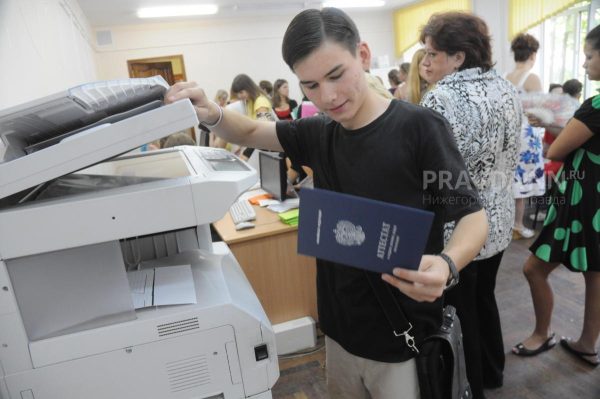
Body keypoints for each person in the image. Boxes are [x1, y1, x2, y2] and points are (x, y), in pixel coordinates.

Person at [166, 8, 488, 398]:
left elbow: (472, 216)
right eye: (311, 86)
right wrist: (212, 113)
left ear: (363, 55)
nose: (328, 96)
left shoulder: (420, 128)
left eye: (337, 75)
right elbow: (251, 130)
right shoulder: (320, 133)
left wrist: (449, 263)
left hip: (402, 334)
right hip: (339, 331)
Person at [419, 12, 521, 398]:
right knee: (484, 298)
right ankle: (493, 372)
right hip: (497, 217)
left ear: (459, 57)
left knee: (459, 311)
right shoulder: (506, 87)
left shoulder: (440, 99)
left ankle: (471, 386)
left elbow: (431, 170)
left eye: (432, 54)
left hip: (460, 227)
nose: (425, 62)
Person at [511, 24, 600, 369]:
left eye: (589, 56)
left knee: (534, 269)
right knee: (595, 274)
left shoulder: (594, 106)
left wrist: (547, 123)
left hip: (583, 199)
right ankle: (587, 344)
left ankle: (541, 333)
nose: (584, 65)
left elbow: (558, 150)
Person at [505, 33, 546, 239]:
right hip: (525, 134)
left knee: (512, 180)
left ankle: (512, 224)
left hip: (509, 134)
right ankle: (518, 226)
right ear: (533, 54)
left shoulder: (506, 76)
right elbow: (540, 110)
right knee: (521, 183)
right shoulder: (531, 77)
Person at [230, 74, 274, 158]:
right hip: (260, 146)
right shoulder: (250, 102)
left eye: (241, 92)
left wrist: (245, 155)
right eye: (237, 93)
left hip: (268, 148)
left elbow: (262, 133)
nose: (239, 96)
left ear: (248, 88)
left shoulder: (261, 102)